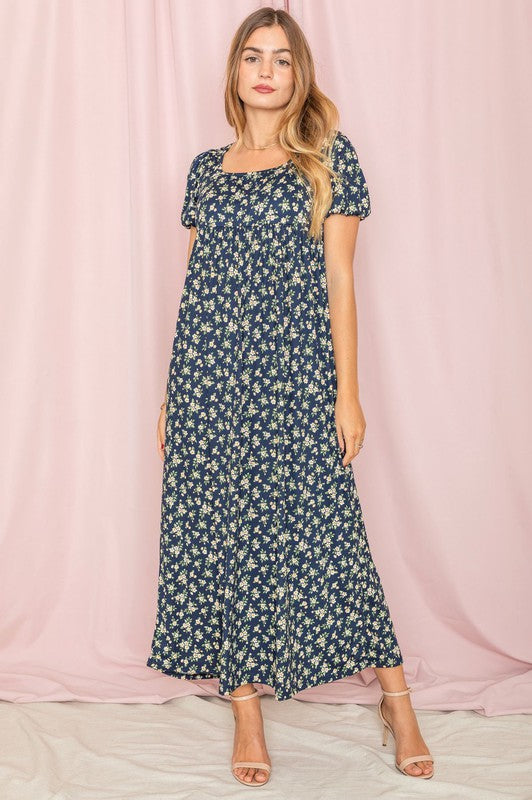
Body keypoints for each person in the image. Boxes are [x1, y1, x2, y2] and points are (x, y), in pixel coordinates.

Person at [146, 6, 434, 788]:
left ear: (300, 74)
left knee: (328, 533)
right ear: (236, 74)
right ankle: (245, 710)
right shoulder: (207, 169)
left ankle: (397, 700)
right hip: (210, 380)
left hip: (295, 376)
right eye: (252, 57)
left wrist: (348, 393)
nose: (266, 70)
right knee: (220, 535)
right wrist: (175, 395)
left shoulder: (329, 160)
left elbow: (341, 280)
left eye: (281, 57)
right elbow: (195, 290)